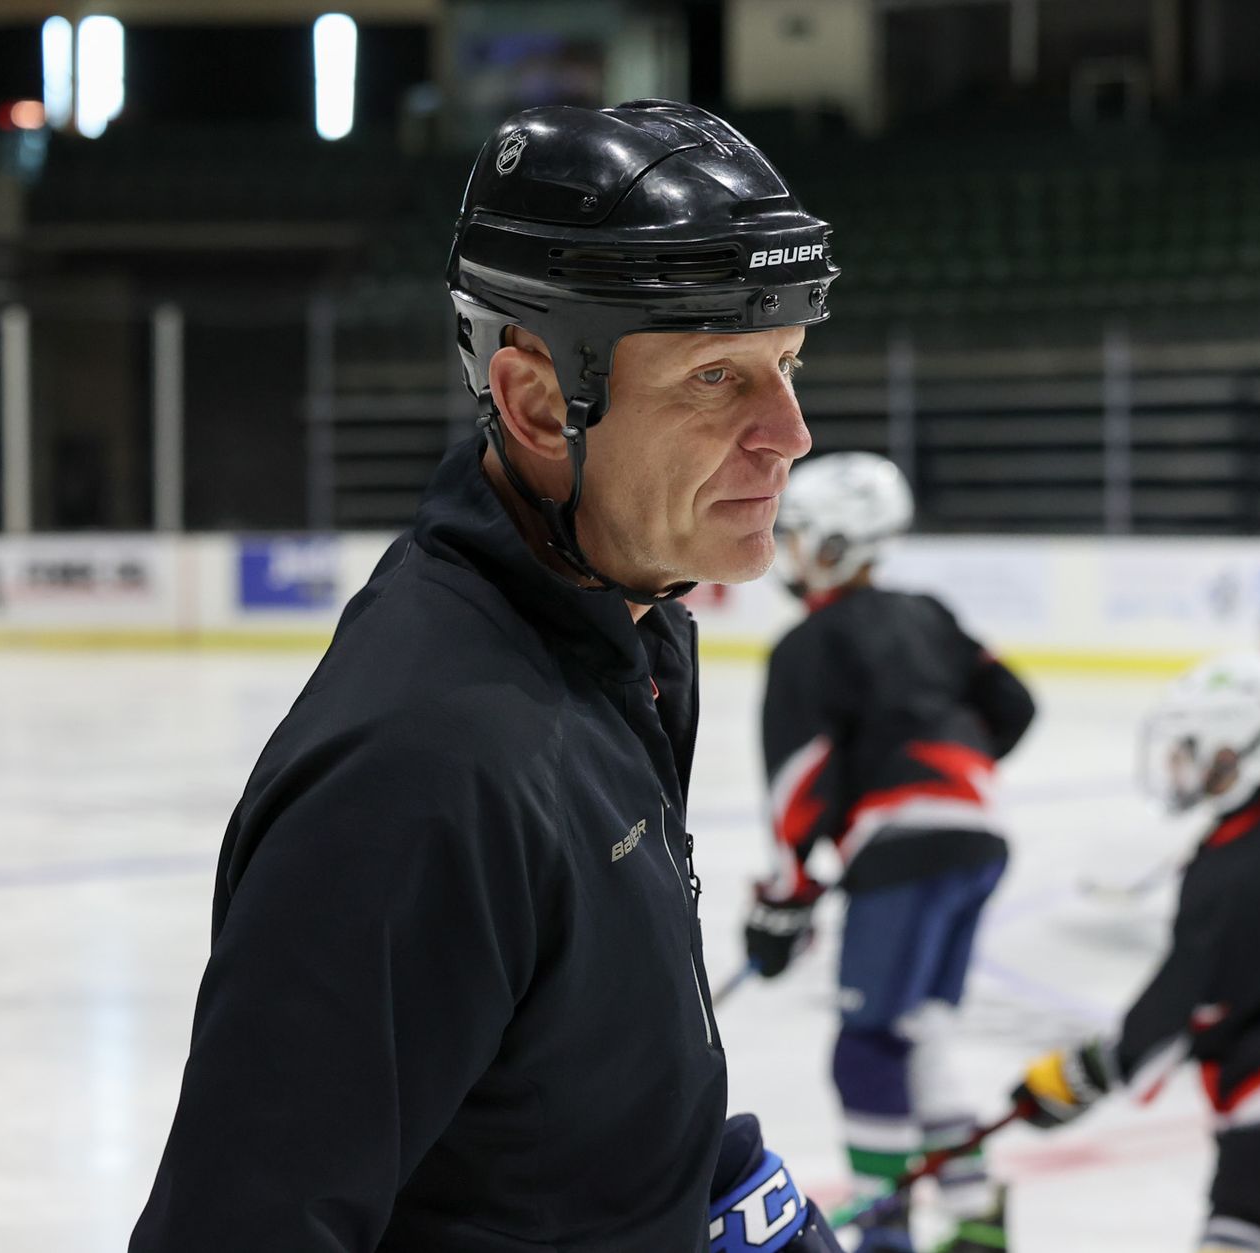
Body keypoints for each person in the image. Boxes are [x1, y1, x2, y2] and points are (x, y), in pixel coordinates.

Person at [132, 100, 846, 1253]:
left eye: (788, 365)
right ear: (532, 400)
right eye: (718, 379)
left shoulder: (630, 633)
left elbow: (559, 1083)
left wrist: (715, 1184)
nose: (791, 432)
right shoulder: (420, 773)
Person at [1012, 653, 1260, 1253]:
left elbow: (1189, 991)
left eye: (1188, 748)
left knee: (1241, 1226)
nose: (1175, 764)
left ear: (1236, 752)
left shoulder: (1256, 861)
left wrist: (1094, 1072)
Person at [748, 452, 1035, 1253]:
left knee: (867, 1046)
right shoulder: (929, 612)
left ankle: (883, 1231)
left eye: (800, 535)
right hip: (980, 836)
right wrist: (948, 772)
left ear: (838, 545)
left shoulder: (808, 642)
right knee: (920, 1030)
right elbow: (1014, 704)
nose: (789, 551)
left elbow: (798, 786)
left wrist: (786, 894)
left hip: (906, 848)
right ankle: (975, 1212)